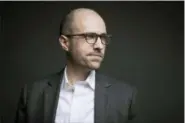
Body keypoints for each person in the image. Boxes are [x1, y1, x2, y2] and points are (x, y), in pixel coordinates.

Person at [15, 8, 140, 123]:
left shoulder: (125, 96)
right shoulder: (32, 94)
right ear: (65, 42)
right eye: (90, 36)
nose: (99, 46)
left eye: (103, 37)